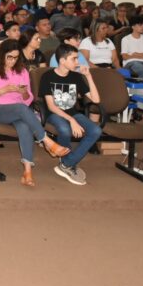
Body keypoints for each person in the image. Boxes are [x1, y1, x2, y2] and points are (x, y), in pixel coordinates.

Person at [0, 39, 69, 187]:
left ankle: (27, 171)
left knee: (24, 125)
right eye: (10, 57)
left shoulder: (22, 72)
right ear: (2, 55)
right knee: (21, 110)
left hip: (18, 111)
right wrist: (5, 90)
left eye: (16, 57)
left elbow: (28, 100)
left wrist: (24, 93)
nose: (13, 61)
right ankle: (47, 141)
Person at [39, 44, 101, 186]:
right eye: (74, 59)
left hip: (72, 113)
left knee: (96, 130)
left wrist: (88, 76)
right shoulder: (47, 76)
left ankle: (67, 163)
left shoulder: (76, 77)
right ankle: (68, 164)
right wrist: (71, 120)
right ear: (62, 60)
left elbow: (96, 100)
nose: (77, 62)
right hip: (53, 113)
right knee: (65, 129)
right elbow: (51, 106)